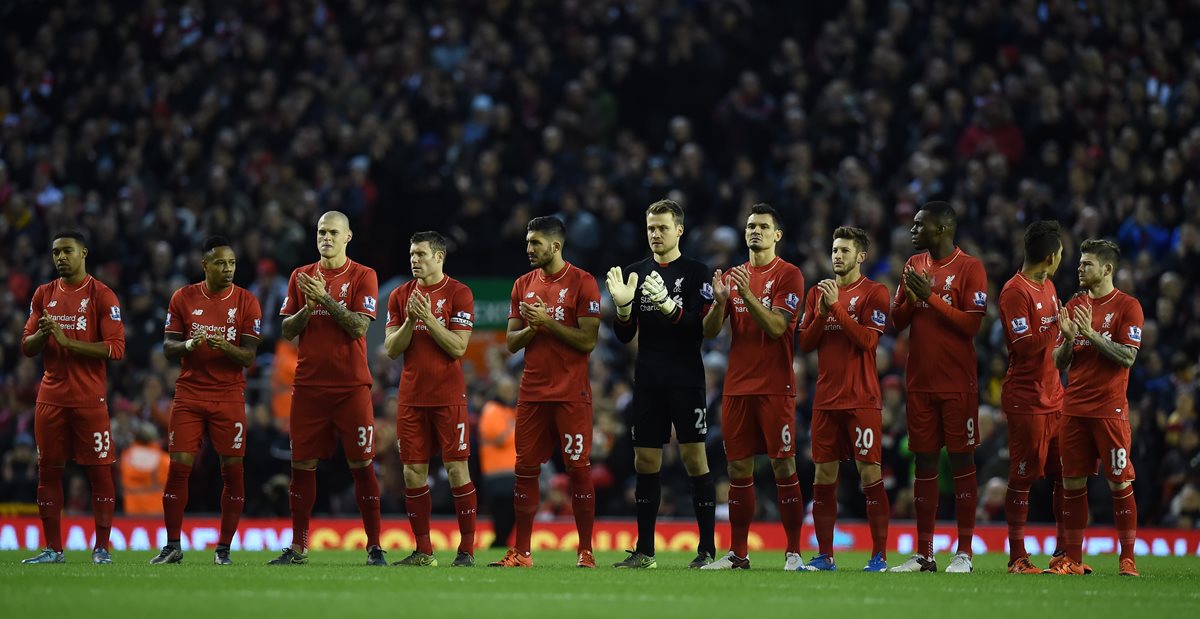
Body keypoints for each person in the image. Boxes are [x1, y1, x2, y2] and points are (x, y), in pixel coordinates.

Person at [605, 199, 717, 569]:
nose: (655, 234)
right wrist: (623, 310)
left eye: (662, 227)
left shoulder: (697, 272)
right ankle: (646, 551)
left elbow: (700, 329)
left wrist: (670, 307)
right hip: (648, 379)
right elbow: (624, 336)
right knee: (645, 460)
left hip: (686, 378)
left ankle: (706, 550)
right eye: (651, 228)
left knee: (693, 457)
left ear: (679, 230)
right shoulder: (635, 273)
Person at [270, 211, 385, 566]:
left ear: (348, 237)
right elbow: (287, 330)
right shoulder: (300, 276)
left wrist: (326, 300)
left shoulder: (364, 275)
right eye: (321, 232)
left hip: (351, 387)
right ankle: (299, 546)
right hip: (309, 387)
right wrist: (308, 308)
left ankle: (374, 546)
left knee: (362, 465)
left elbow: (359, 328)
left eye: (334, 232)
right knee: (301, 465)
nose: (326, 238)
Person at [490, 216, 601, 568]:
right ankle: (522, 552)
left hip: (571, 394)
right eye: (528, 242)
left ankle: (585, 551)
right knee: (525, 470)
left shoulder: (583, 282)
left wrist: (547, 322)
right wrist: (533, 328)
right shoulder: (522, 284)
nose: (529, 249)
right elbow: (511, 342)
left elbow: (588, 340)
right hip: (533, 394)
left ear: (555, 245)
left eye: (535, 243)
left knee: (578, 470)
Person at [699, 203, 806, 571]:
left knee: (783, 465)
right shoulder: (732, 276)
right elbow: (709, 332)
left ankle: (793, 552)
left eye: (762, 226)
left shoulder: (789, 275)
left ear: (777, 235)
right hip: (737, 388)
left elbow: (777, 327)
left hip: (775, 387)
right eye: (750, 226)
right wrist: (720, 303)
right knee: (737, 470)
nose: (755, 231)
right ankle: (738, 554)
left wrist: (745, 296)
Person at [150, 236, 263, 565]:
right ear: (205, 265)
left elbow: (249, 357)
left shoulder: (246, 301)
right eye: (220, 263)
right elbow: (168, 347)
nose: (228, 269)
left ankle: (223, 549)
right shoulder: (183, 297)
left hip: (229, 395)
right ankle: (173, 545)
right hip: (190, 393)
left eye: (232, 263)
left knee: (233, 473)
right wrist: (189, 345)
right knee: (178, 468)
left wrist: (224, 346)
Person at [889, 202, 988, 574]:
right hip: (920, 384)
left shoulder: (971, 268)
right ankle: (925, 554)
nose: (913, 230)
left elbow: (971, 325)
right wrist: (913, 299)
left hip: (958, 384)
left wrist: (929, 297)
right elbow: (897, 321)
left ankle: (964, 553)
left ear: (942, 228)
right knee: (924, 463)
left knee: (962, 462)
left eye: (920, 225)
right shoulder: (913, 265)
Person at [21, 230, 125, 564]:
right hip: (50, 399)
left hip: (89, 400)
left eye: (67, 251)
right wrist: (43, 335)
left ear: (83, 253)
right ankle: (53, 549)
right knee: (48, 472)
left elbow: (116, 348)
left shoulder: (102, 295)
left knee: (99, 473)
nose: (61, 258)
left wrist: (68, 343)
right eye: (56, 253)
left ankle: (102, 548)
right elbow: (27, 346)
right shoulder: (44, 293)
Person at [796, 227, 891, 572]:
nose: (837, 255)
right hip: (825, 400)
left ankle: (879, 556)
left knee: (869, 474)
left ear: (861, 256)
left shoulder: (875, 292)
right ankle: (825, 555)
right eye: (835, 250)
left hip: (861, 399)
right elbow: (805, 344)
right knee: (823, 475)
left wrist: (836, 308)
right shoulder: (817, 293)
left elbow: (867, 341)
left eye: (845, 250)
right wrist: (823, 311)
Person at [1048, 239, 1144, 576]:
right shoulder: (1075, 304)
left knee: (1119, 483)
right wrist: (1069, 339)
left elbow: (1128, 357)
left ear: (1106, 269)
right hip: (1074, 409)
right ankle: (1072, 560)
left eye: (1086, 264)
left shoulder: (1128, 306)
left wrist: (1091, 334)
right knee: (1072, 483)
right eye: (1079, 263)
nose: (1079, 268)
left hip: (1109, 411)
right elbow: (1059, 362)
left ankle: (1127, 559)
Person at [384, 231, 478, 567]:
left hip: (448, 396)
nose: (414, 260)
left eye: (421, 254)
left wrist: (429, 319)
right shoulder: (399, 295)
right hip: (411, 397)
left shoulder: (459, 293)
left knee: (456, 469)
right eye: (412, 254)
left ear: (439, 257)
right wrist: (411, 320)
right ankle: (424, 551)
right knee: (412, 473)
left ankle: (466, 550)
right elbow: (391, 348)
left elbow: (458, 347)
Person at [997, 220, 1067, 574]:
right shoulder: (1015, 292)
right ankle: (1017, 557)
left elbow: (1053, 343)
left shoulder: (1049, 286)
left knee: (1065, 474)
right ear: (1051, 257)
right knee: (1022, 477)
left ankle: (1064, 552)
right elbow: (1025, 347)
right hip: (1026, 400)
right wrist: (1058, 326)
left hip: (1055, 397)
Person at [479, 377, 518, 550]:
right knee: (502, 510)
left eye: (511, 389)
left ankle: (501, 541)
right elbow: (498, 437)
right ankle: (499, 541)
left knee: (513, 509)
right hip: (497, 471)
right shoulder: (492, 410)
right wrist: (514, 428)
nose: (510, 393)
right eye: (506, 389)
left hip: (513, 470)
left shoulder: (510, 411)